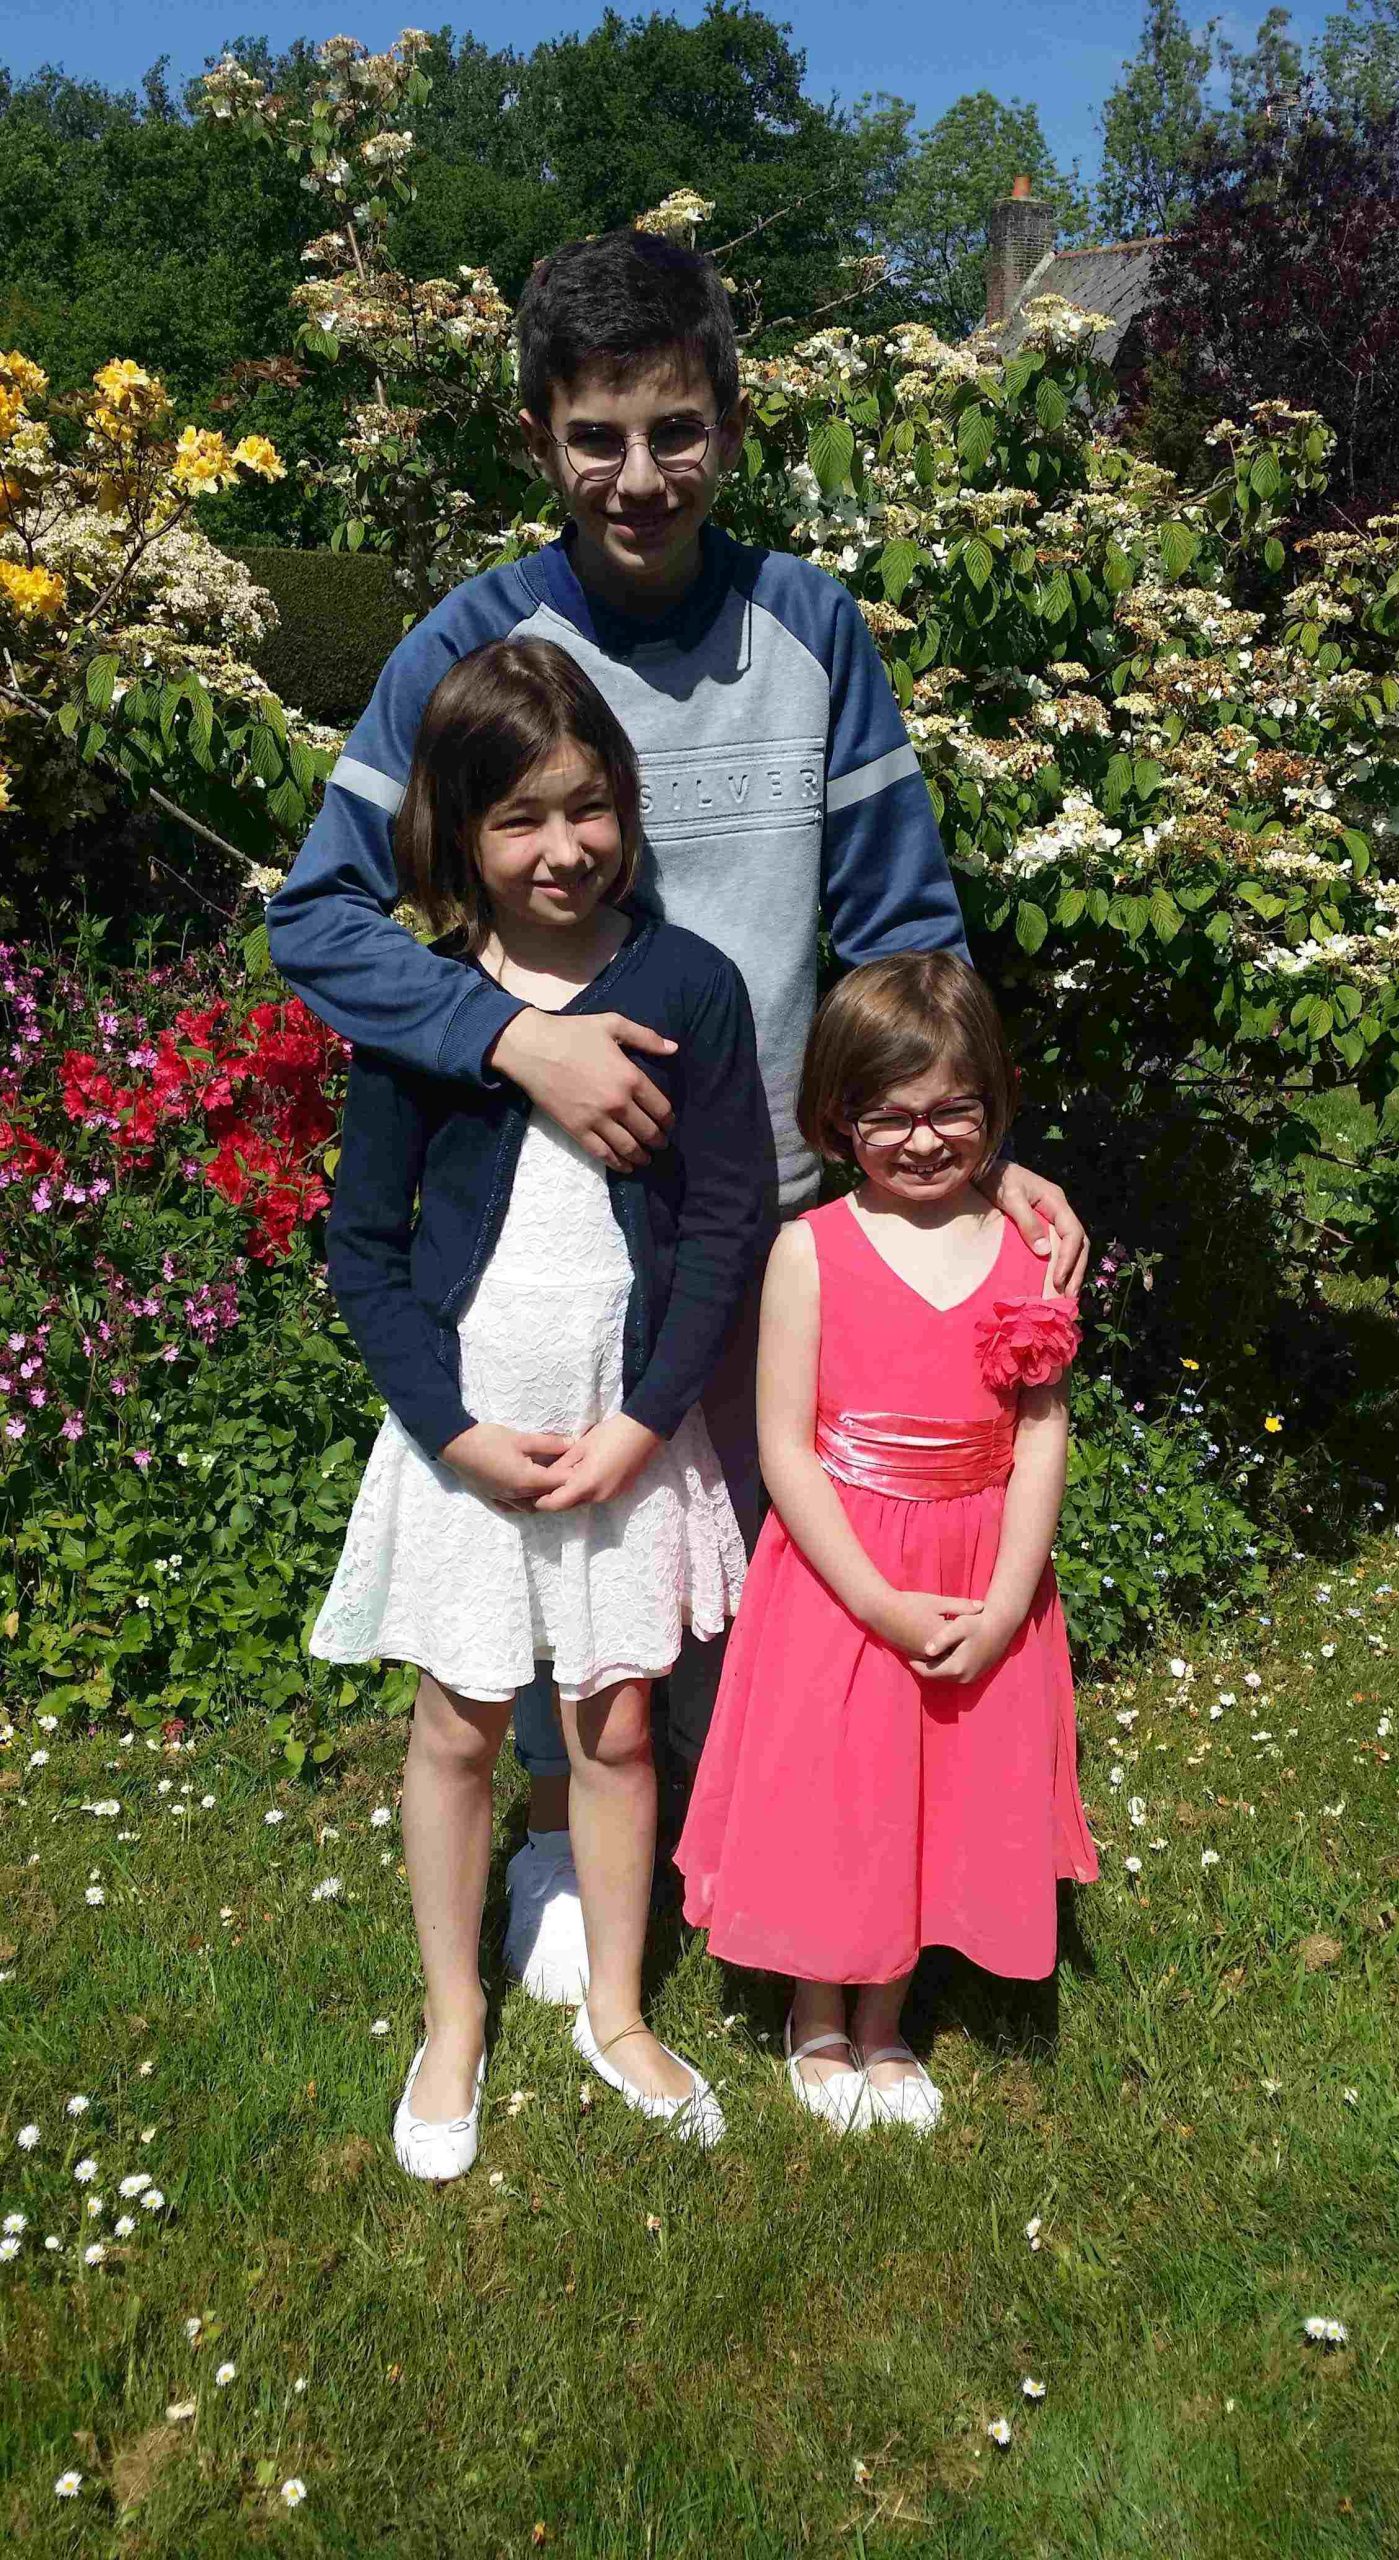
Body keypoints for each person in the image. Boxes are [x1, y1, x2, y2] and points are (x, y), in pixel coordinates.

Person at [268, 224, 1089, 2004]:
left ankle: (764, 1861)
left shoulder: (809, 629)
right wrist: (510, 1037)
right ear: (536, 440)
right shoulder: (469, 643)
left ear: (729, 421)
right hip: (553, 1235)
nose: (636, 476)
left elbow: (901, 927)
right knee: (564, 1549)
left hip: (780, 1215)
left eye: (673, 430)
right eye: (595, 437)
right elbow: (317, 916)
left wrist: (978, 1150)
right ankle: (558, 1853)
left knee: (746, 1575)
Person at [310, 638, 769, 2173]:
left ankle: (617, 2011)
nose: (560, 847)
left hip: (624, 1423)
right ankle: (452, 2020)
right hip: (471, 1430)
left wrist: (645, 1421)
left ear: (623, 806)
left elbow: (726, 1222)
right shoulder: (427, 1007)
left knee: (618, 1724)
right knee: (456, 1726)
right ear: (459, 832)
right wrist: (449, 1432)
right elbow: (363, 1248)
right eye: (518, 818)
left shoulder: (691, 987)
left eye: (585, 808)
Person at [676, 953, 1099, 2136]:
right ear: (836, 1116)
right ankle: (815, 2012)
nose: (921, 1140)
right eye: (887, 1116)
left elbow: (1040, 1435)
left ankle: (885, 2020)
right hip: (842, 1578)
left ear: (994, 1105)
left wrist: (1007, 1599)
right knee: (841, 1790)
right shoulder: (809, 1250)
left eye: (951, 1111)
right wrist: (872, 1599)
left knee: (934, 1790)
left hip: (977, 1569)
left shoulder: (1027, 1251)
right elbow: (784, 1447)